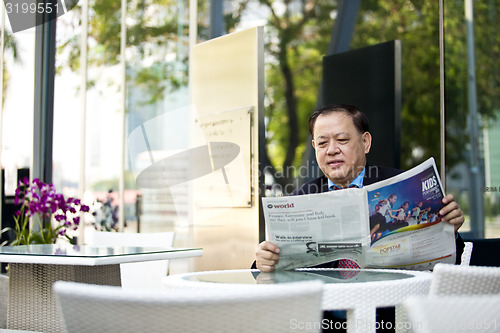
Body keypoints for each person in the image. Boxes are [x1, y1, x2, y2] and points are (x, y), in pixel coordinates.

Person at [254, 104, 466, 332]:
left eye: (342, 140)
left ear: (365, 142)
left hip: (393, 317)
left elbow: (450, 262)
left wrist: (448, 231)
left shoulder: (402, 184)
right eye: (323, 143)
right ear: (315, 148)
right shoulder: (303, 197)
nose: (332, 150)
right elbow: (265, 271)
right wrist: (264, 261)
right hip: (323, 321)